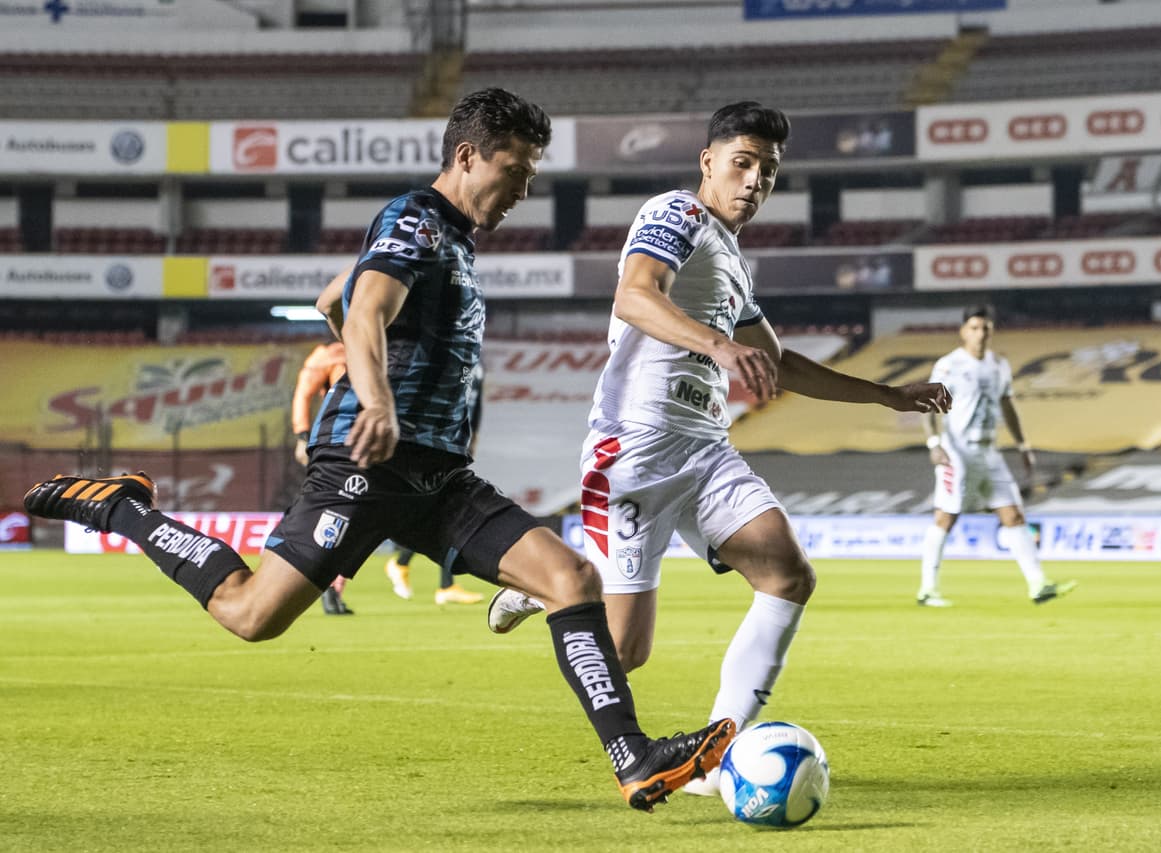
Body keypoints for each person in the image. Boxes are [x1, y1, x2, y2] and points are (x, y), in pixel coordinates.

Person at [23, 87, 734, 811]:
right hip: (367, 463)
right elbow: (363, 307)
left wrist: (360, 328)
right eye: (516, 171)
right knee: (250, 615)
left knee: (572, 579)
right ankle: (125, 507)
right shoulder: (416, 221)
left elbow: (339, 295)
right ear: (467, 156)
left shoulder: (451, 240)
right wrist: (376, 398)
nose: (524, 189)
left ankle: (635, 759)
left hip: (440, 477)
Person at [486, 101, 951, 795]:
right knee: (623, 651)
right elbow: (635, 296)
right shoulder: (675, 214)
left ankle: (718, 757)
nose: (755, 179)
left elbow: (780, 362)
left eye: (768, 169)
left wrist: (886, 395)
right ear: (708, 163)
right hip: (635, 445)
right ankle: (552, 581)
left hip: (703, 450)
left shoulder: (733, 258)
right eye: (742, 162)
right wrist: (718, 344)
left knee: (788, 573)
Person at [916, 304, 1076, 608]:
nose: (980, 334)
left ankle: (1038, 585)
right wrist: (934, 443)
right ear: (963, 331)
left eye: (985, 328)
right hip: (957, 450)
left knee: (1013, 514)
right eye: (974, 328)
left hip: (990, 450)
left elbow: (1007, 406)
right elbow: (928, 405)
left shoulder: (999, 365)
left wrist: (1023, 445)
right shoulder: (949, 365)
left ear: (992, 331)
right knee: (946, 517)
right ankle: (927, 589)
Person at [384, 361, 485, 605]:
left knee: (447, 510)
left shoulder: (477, 363)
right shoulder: (446, 355)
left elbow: (476, 402)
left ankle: (438, 581)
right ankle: (406, 566)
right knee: (443, 508)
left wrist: (473, 434)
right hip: (436, 440)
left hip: (456, 439)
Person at [291, 339, 356, 615]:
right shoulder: (329, 355)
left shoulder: (354, 348)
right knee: (338, 517)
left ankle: (331, 589)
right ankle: (326, 586)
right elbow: (304, 393)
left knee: (344, 519)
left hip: (357, 441)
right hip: (338, 443)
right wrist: (302, 434)